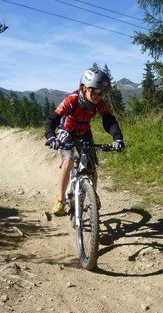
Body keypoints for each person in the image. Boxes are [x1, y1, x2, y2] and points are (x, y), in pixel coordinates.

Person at [44, 67, 125, 216]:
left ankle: (92, 195)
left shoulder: (98, 103)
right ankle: (60, 201)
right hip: (66, 131)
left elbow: (108, 120)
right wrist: (51, 136)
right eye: (95, 91)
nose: (98, 95)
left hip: (84, 132)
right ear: (84, 88)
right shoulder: (72, 100)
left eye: (102, 92)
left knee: (91, 166)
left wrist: (117, 138)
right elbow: (52, 118)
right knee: (68, 160)